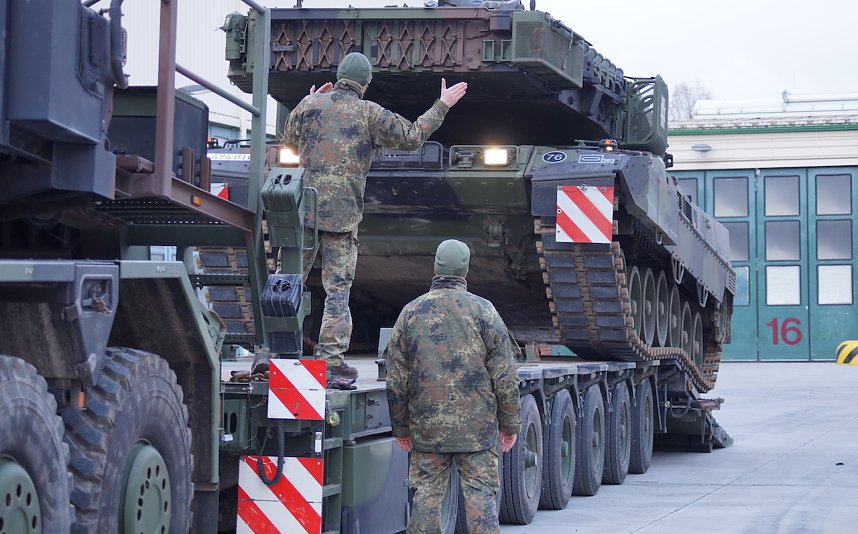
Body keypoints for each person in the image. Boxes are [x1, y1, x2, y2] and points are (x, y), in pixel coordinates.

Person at [282, 53, 468, 381]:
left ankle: (276, 350)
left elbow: (290, 141)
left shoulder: (310, 105)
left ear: (337, 77)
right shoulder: (369, 112)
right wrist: (442, 105)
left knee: (288, 281)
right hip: (342, 216)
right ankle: (331, 361)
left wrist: (309, 99)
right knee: (337, 289)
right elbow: (411, 137)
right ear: (365, 84)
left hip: (304, 211)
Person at [386, 239, 521, 533]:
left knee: (426, 497)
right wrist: (510, 425)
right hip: (477, 431)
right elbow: (506, 378)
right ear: (465, 271)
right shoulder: (484, 311)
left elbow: (395, 379)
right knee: (481, 501)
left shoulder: (411, 312)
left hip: (428, 428)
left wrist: (402, 429)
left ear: (436, 268)